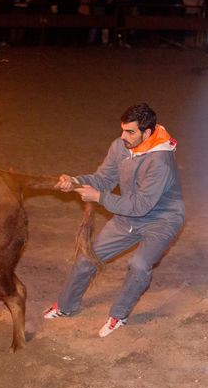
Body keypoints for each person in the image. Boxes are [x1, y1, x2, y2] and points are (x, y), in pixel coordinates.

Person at [43, 103, 185, 337]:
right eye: (122, 130)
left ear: (147, 133)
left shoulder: (161, 161)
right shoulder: (120, 147)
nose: (123, 136)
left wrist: (99, 198)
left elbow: (140, 206)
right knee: (86, 258)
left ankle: (118, 315)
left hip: (162, 220)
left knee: (139, 265)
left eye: (130, 132)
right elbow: (103, 179)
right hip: (128, 216)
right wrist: (75, 181)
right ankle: (66, 307)